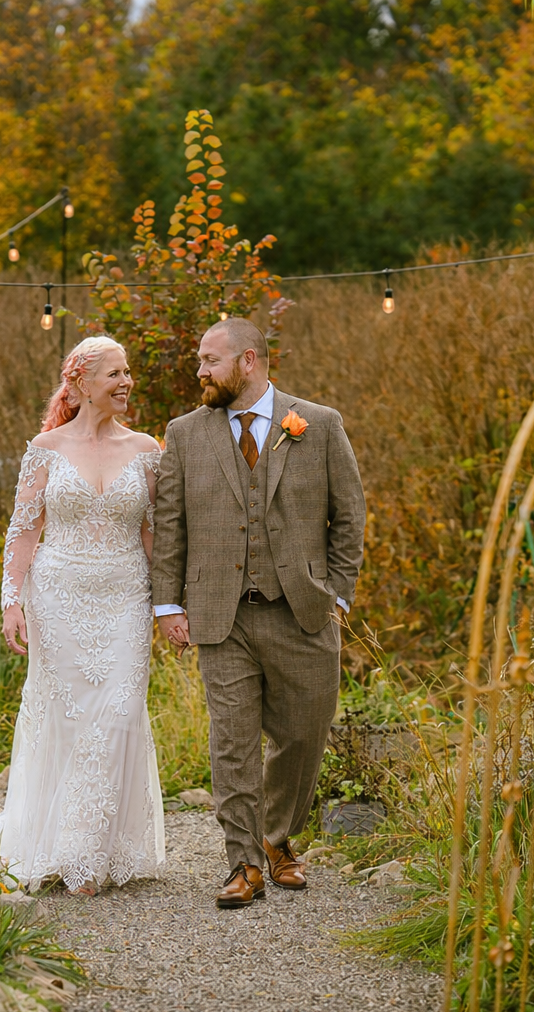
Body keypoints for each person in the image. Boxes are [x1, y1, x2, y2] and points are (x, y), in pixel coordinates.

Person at [151, 317, 365, 909]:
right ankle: (243, 862)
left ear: (248, 362)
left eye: (209, 361)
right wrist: (168, 604)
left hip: (301, 610)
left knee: (305, 732)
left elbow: (349, 515)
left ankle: (275, 837)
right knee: (233, 741)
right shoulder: (186, 433)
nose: (200, 371)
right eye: (199, 361)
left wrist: (338, 592)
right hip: (221, 614)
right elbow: (171, 525)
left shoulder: (317, 425)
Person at [0, 337, 166, 896]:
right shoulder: (45, 448)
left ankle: (89, 853)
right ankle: (62, 843)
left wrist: (169, 605)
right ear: (81, 383)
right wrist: (11, 601)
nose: (126, 382)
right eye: (114, 374)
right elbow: (23, 531)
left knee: (117, 714)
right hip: (58, 597)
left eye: (128, 372)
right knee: (67, 720)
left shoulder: (146, 450)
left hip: (125, 598)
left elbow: (156, 536)